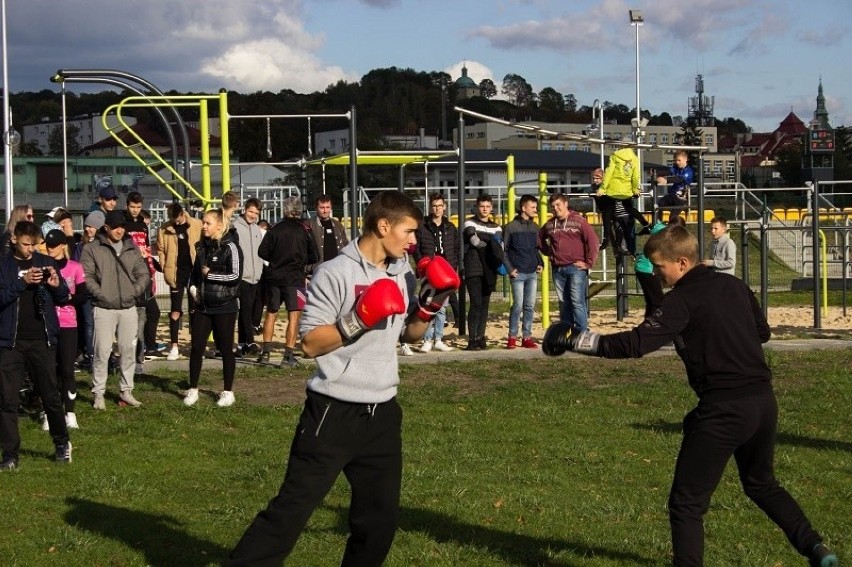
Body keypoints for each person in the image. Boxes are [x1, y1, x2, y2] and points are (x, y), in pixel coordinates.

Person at [541, 224, 839, 567]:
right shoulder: (735, 285)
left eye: (660, 266)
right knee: (762, 483)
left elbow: (635, 344)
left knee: (687, 503)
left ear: (682, 262)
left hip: (724, 409)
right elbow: (762, 332)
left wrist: (576, 340)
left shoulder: (682, 299)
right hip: (762, 403)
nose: (657, 273)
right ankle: (816, 548)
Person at [227, 190, 459, 565]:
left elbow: (409, 336)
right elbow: (310, 344)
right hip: (333, 413)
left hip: (382, 413)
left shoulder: (401, 272)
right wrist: (358, 318)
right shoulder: (334, 272)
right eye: (409, 231)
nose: (415, 240)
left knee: (379, 523)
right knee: (291, 513)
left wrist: (430, 305)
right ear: (384, 226)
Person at [0, 221, 72, 469]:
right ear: (14, 241)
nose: (30, 249)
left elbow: (63, 298)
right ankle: (10, 456)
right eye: (25, 244)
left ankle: (62, 442)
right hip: (11, 342)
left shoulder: (46, 262)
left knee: (50, 395)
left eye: (34, 244)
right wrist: (22, 282)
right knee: (7, 400)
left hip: (42, 339)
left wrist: (56, 286)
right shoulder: (4, 266)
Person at [81, 210, 150, 409]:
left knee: (128, 350)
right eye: (116, 226)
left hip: (128, 307)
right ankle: (99, 393)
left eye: (122, 226)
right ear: (106, 227)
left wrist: (133, 292)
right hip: (103, 308)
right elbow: (87, 276)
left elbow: (143, 274)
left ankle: (126, 390)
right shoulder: (92, 249)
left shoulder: (131, 248)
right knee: (102, 351)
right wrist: (102, 294)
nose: (120, 230)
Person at [183, 209, 243, 408]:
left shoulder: (231, 247)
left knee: (225, 348)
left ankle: (227, 391)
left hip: (225, 306)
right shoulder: (202, 247)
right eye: (203, 222)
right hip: (203, 306)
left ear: (219, 224)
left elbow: (235, 276)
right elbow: (194, 273)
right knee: (196, 347)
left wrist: (211, 275)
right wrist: (192, 287)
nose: (204, 226)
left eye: (208, 223)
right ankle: (192, 389)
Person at [256, 196, 317, 367]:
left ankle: (266, 353)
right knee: (294, 316)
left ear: (285, 210)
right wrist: (300, 259)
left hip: (274, 277)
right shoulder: (305, 229)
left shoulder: (275, 229)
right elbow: (314, 256)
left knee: (271, 312)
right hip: (295, 278)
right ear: (299, 211)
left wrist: (276, 258)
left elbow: (262, 252)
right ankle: (288, 355)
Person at [537, 193, 599, 333]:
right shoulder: (549, 224)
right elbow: (539, 239)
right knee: (564, 304)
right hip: (558, 270)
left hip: (576, 268)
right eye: (552, 206)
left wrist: (588, 263)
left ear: (566, 204)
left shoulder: (579, 221)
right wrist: (549, 253)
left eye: (558, 205)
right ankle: (567, 333)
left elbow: (593, 241)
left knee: (577, 302)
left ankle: (582, 333)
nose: (555, 208)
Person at [44, 229, 86, 430]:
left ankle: (70, 412)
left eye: (53, 245)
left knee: (67, 369)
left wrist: (67, 298)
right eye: (47, 245)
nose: (50, 249)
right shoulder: (43, 267)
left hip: (69, 324)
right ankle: (49, 412)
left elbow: (83, 295)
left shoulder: (75, 267)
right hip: (48, 324)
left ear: (63, 245)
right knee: (50, 369)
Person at [413, 192, 459, 353]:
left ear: (444, 207)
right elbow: (416, 248)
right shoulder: (423, 226)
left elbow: (456, 248)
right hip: (429, 271)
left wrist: (453, 268)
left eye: (440, 206)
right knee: (427, 305)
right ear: (430, 207)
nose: (437, 209)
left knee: (442, 307)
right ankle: (427, 339)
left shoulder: (450, 227)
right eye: (434, 206)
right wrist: (421, 263)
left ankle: (438, 338)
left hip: (445, 272)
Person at [157, 202, 203, 361]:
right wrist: (164, 265)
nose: (175, 222)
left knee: (194, 310)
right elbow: (161, 249)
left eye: (177, 219)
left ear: (182, 214)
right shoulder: (165, 229)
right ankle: (174, 346)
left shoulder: (196, 224)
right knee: (175, 311)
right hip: (175, 274)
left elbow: (203, 243)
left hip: (194, 273)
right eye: (172, 219)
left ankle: (196, 346)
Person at [462, 193, 503, 350]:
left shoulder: (497, 227)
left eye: (487, 206)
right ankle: (472, 339)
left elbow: (500, 247)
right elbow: (474, 240)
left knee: (485, 305)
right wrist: (490, 242)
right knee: (476, 303)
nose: (485, 209)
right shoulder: (469, 222)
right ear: (476, 207)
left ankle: (481, 337)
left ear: (491, 208)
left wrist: (487, 240)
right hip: (473, 268)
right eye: (482, 206)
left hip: (490, 270)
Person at [502, 194, 543, 349]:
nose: (535, 210)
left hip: (532, 273)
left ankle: (526, 337)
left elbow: (536, 249)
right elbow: (504, 251)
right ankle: (512, 337)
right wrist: (510, 269)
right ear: (523, 208)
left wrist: (540, 263)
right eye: (533, 207)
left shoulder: (534, 227)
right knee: (518, 305)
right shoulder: (510, 227)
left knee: (529, 306)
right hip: (517, 273)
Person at [597, 148, 652, 255]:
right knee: (630, 209)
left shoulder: (615, 156)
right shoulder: (635, 159)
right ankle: (646, 225)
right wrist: (635, 189)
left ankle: (606, 239)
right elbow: (636, 176)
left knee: (607, 214)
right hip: (626, 191)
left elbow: (609, 173)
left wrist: (603, 188)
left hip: (613, 190)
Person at [124, 191, 155, 374]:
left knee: (141, 318)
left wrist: (150, 273)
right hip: (126, 276)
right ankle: (126, 358)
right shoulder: (122, 224)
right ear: (127, 205)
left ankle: (139, 359)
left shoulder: (143, 226)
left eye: (138, 207)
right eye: (132, 206)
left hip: (142, 276)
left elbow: (147, 250)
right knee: (126, 321)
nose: (135, 210)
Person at [71, 210, 105, 371]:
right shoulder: (81, 245)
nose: (88, 229)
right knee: (88, 322)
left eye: (92, 226)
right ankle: (91, 354)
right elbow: (77, 265)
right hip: (85, 289)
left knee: (100, 323)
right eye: (87, 226)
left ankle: (101, 354)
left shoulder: (103, 245)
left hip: (99, 289)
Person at [232, 197, 264, 356]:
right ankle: (250, 341)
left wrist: (260, 270)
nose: (253, 215)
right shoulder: (236, 227)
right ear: (245, 209)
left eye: (256, 213)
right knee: (245, 309)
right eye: (251, 211)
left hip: (255, 276)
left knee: (250, 309)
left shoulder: (257, 229)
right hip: (242, 276)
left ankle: (242, 344)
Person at [307, 194, 349, 268]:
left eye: (327, 207)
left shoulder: (337, 225)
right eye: (322, 208)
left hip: (337, 269)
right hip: (317, 270)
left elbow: (345, 245)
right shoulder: (309, 225)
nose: (325, 211)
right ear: (316, 208)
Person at [656, 150, 695, 222]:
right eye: (676, 160)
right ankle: (659, 223)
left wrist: (666, 180)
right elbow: (668, 171)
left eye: (679, 160)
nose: (677, 162)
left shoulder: (689, 171)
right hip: (673, 195)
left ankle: (675, 230)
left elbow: (679, 179)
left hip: (681, 199)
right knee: (659, 204)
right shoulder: (676, 168)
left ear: (686, 159)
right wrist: (655, 173)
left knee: (672, 217)